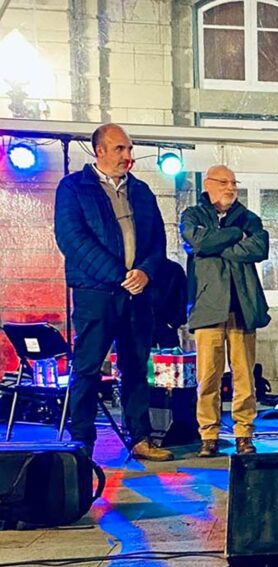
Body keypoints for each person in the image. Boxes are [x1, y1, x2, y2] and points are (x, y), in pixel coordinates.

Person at [53, 123, 172, 461]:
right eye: (120, 149)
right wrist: (120, 275)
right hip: (96, 294)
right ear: (99, 151)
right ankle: (81, 443)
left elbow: (157, 241)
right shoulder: (74, 188)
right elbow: (72, 239)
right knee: (87, 369)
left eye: (130, 149)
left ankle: (140, 438)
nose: (128, 156)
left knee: (136, 367)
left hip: (137, 295)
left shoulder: (143, 191)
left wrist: (146, 272)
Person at [181, 164, 270, 457]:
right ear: (208, 184)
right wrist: (234, 234)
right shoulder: (192, 215)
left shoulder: (249, 218)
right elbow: (199, 241)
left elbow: (258, 249)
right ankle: (209, 435)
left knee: (244, 376)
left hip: (243, 307)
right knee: (208, 377)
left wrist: (214, 244)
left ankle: (244, 433)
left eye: (234, 182)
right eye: (224, 182)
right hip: (208, 307)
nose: (231, 187)